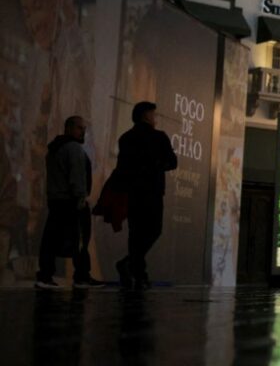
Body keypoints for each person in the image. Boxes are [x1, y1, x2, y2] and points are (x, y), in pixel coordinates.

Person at [115, 102, 177, 289]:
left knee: (135, 234)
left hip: (133, 191)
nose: (155, 118)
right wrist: (156, 166)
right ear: (146, 116)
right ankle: (135, 270)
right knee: (153, 230)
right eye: (153, 114)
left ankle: (137, 271)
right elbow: (172, 162)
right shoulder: (158, 137)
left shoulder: (126, 138)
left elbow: (122, 167)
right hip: (153, 190)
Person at [35, 116, 102, 289]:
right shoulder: (73, 149)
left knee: (51, 238)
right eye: (80, 128)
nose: (83, 132)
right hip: (71, 202)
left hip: (56, 200)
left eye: (84, 128)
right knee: (80, 239)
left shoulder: (55, 148)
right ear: (69, 128)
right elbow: (77, 177)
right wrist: (81, 199)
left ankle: (45, 275)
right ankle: (81, 276)